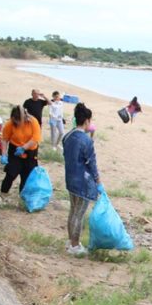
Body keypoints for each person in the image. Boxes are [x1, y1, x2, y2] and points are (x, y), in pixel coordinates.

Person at [62, 103, 101, 256]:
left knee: (72, 211)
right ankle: (75, 245)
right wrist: (98, 182)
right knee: (79, 213)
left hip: (70, 177)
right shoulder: (85, 140)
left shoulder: (68, 136)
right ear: (86, 121)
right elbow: (92, 163)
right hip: (82, 181)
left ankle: (70, 240)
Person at [0, 105, 41, 195]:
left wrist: (23, 148)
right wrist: (3, 154)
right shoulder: (10, 124)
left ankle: (22, 198)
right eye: (14, 120)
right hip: (15, 151)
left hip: (30, 152)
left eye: (17, 121)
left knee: (26, 177)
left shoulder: (33, 122)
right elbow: (4, 139)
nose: (15, 122)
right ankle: (3, 194)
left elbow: (35, 139)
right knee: (10, 174)